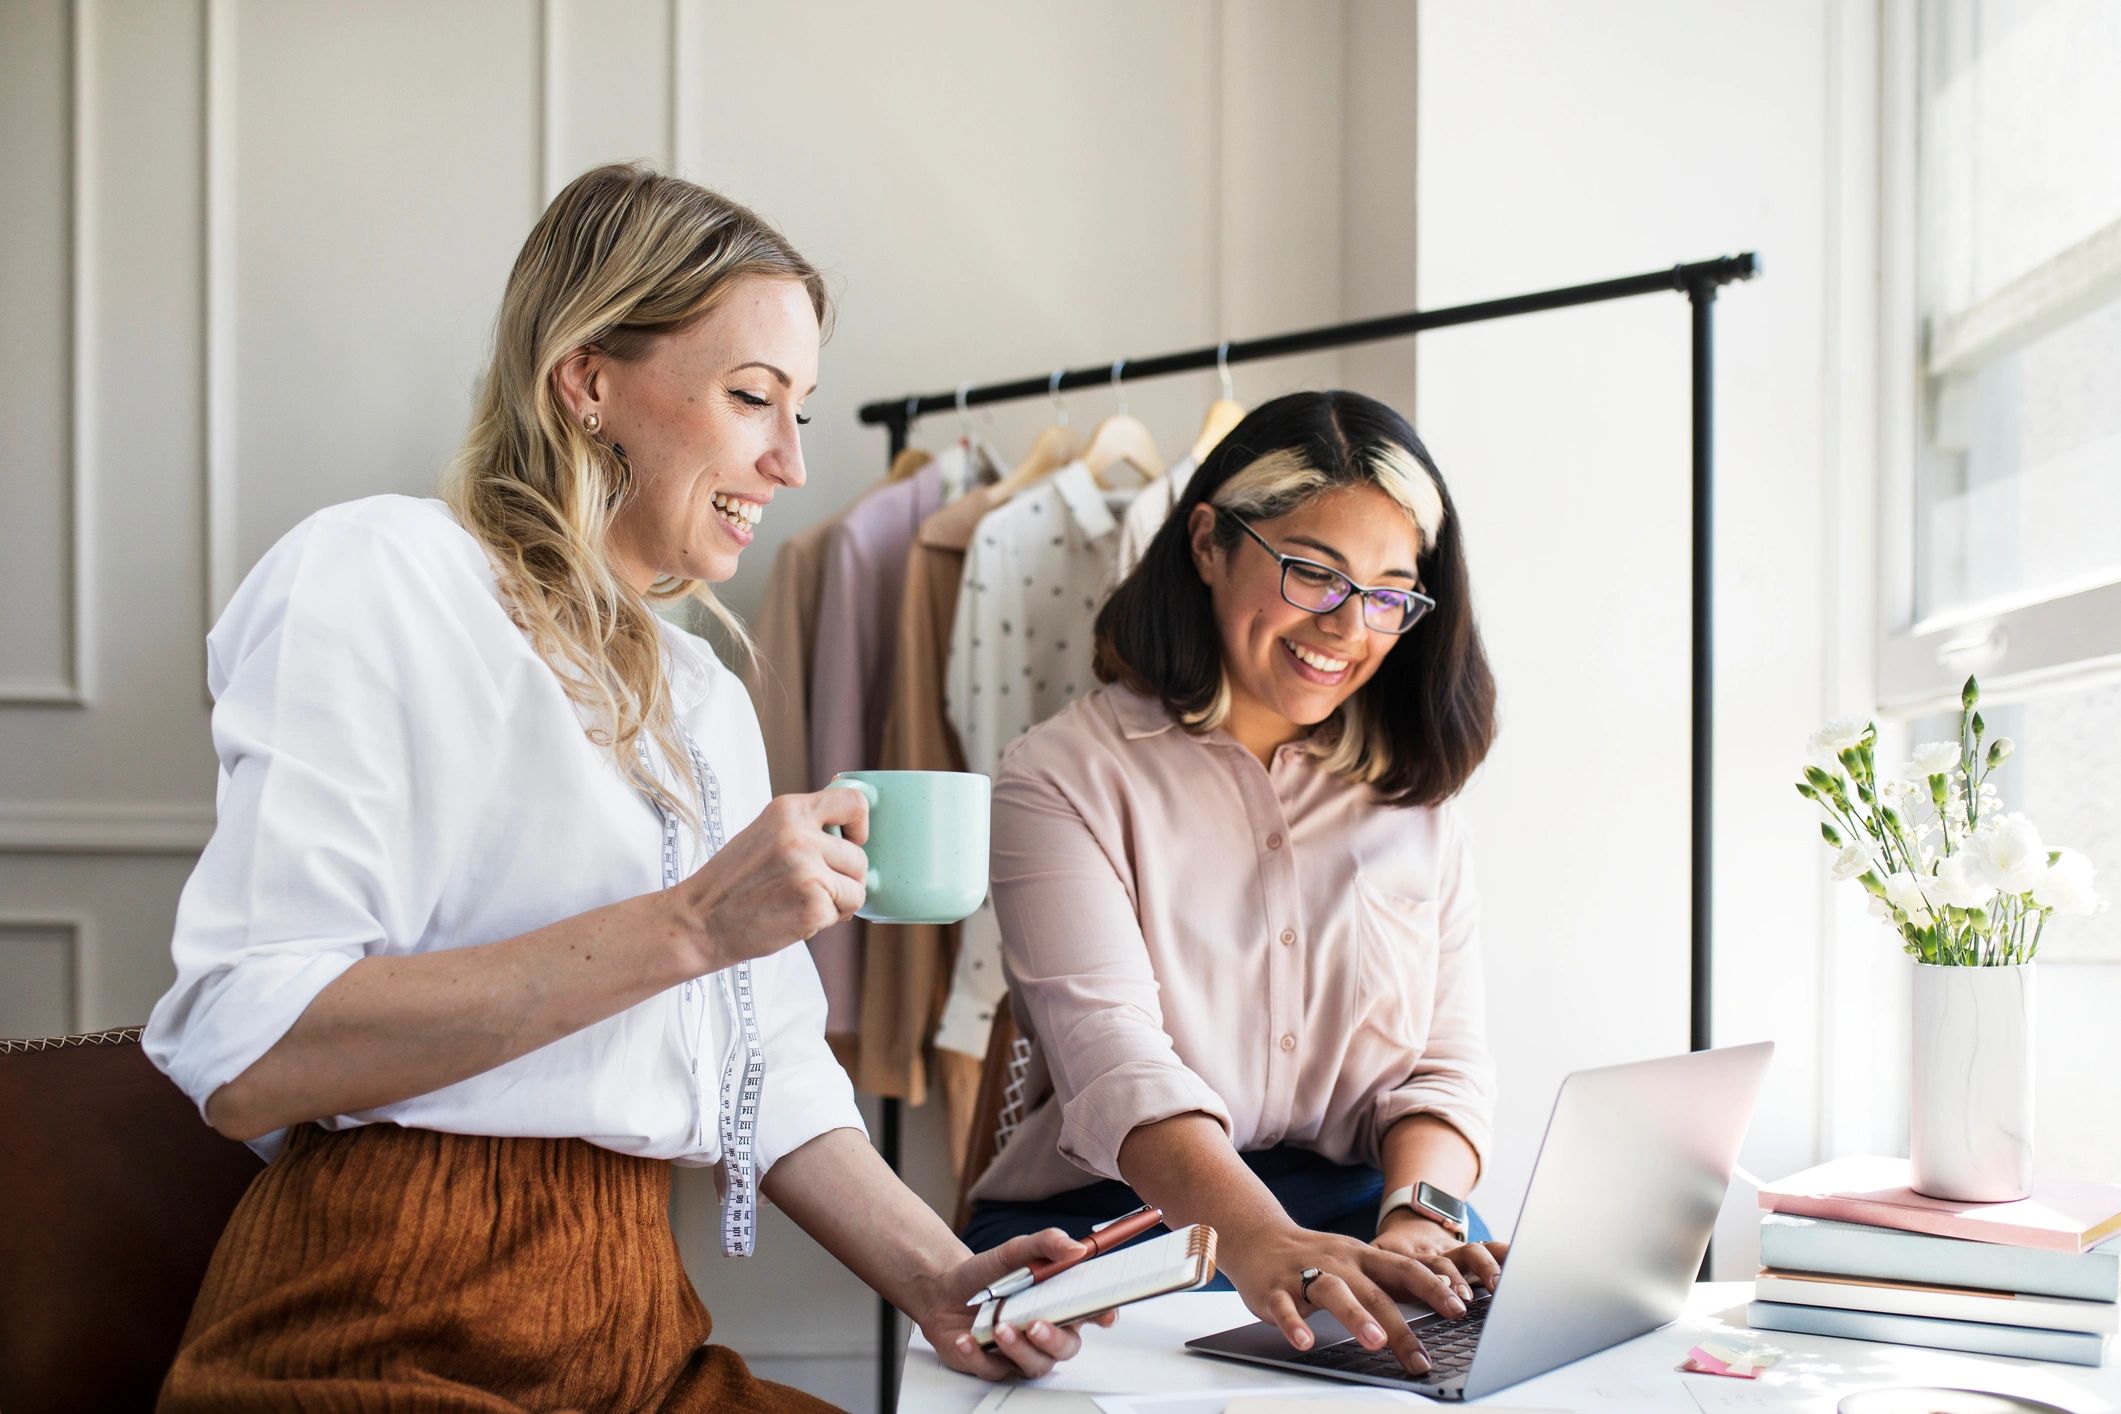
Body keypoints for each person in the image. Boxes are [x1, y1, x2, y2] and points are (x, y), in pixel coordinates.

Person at [143, 163, 1103, 1411]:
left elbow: (772, 1064)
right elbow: (249, 1043)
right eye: (752, 397)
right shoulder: (376, 573)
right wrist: (691, 925)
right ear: (588, 380)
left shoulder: (698, 690)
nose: (790, 461)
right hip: (377, 1322)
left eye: (801, 408)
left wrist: (946, 1277)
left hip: (640, 1338)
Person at [960, 391, 1507, 1378]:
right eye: (1313, 574)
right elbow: (1119, 1065)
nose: (1350, 629)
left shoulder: (1415, 800)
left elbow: (1444, 1068)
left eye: (1390, 593)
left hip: (1362, 1210)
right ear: (1208, 542)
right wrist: (1260, 1239)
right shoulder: (1061, 777)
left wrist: (1423, 1220)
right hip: (1119, 1226)